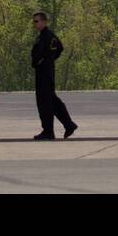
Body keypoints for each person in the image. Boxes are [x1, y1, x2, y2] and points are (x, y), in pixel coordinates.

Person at [31, 12, 76, 140]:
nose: (35, 24)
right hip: (43, 72)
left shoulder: (47, 36)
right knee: (51, 101)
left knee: (45, 102)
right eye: (34, 21)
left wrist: (47, 60)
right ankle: (68, 125)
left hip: (45, 73)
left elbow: (59, 48)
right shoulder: (43, 36)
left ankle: (49, 131)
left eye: (37, 21)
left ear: (44, 22)